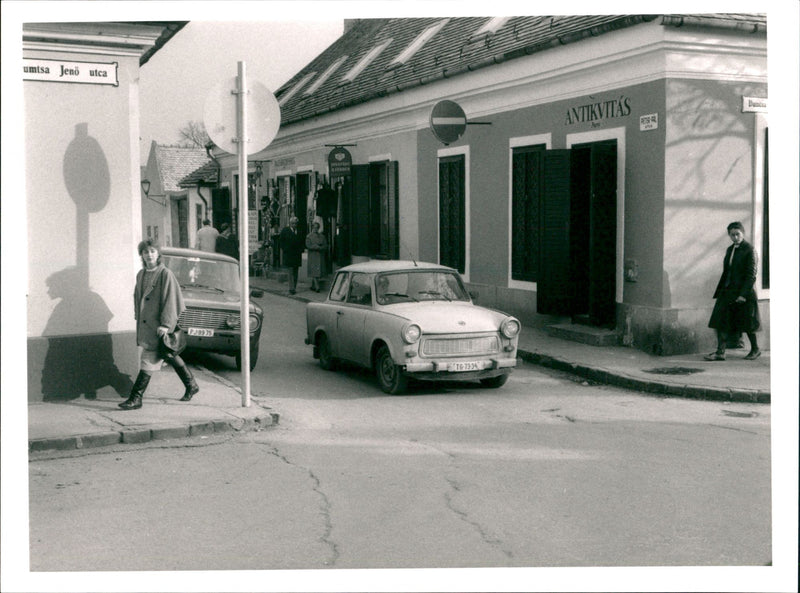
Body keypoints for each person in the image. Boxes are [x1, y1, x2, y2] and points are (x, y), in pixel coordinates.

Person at [119, 239, 199, 410]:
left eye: (152, 251)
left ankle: (136, 398)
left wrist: (166, 324)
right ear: (141, 255)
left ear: (158, 254)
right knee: (169, 353)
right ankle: (191, 385)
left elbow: (172, 299)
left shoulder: (165, 274)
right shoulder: (141, 274)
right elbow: (138, 297)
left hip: (159, 326)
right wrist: (138, 316)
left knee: (148, 359)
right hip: (147, 326)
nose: (149, 255)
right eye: (145, 252)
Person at [704, 221, 761, 361]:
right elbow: (727, 271)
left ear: (743, 234)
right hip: (728, 292)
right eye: (732, 235)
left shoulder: (750, 250)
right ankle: (720, 352)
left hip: (744, 293)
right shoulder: (730, 249)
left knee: (748, 322)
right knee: (721, 320)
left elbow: (751, 275)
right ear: (729, 235)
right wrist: (722, 290)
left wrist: (743, 295)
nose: (735, 237)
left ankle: (755, 349)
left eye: (738, 234)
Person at [279, 216, 304, 294]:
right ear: (290, 223)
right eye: (293, 223)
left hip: (297, 255)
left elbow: (302, 241)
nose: (294, 225)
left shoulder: (299, 231)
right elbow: (281, 241)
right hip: (289, 254)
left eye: (295, 223)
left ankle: (294, 287)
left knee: (296, 272)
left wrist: (301, 250)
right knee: (290, 272)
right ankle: (291, 288)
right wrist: (285, 249)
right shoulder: (285, 230)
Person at [305, 220, 328, 292]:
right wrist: (316, 247)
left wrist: (321, 248)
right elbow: (308, 245)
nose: (316, 229)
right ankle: (317, 287)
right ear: (312, 228)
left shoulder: (322, 236)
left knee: (317, 271)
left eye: (317, 228)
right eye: (314, 227)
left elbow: (325, 245)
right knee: (314, 271)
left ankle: (313, 286)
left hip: (320, 256)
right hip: (313, 256)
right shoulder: (309, 236)